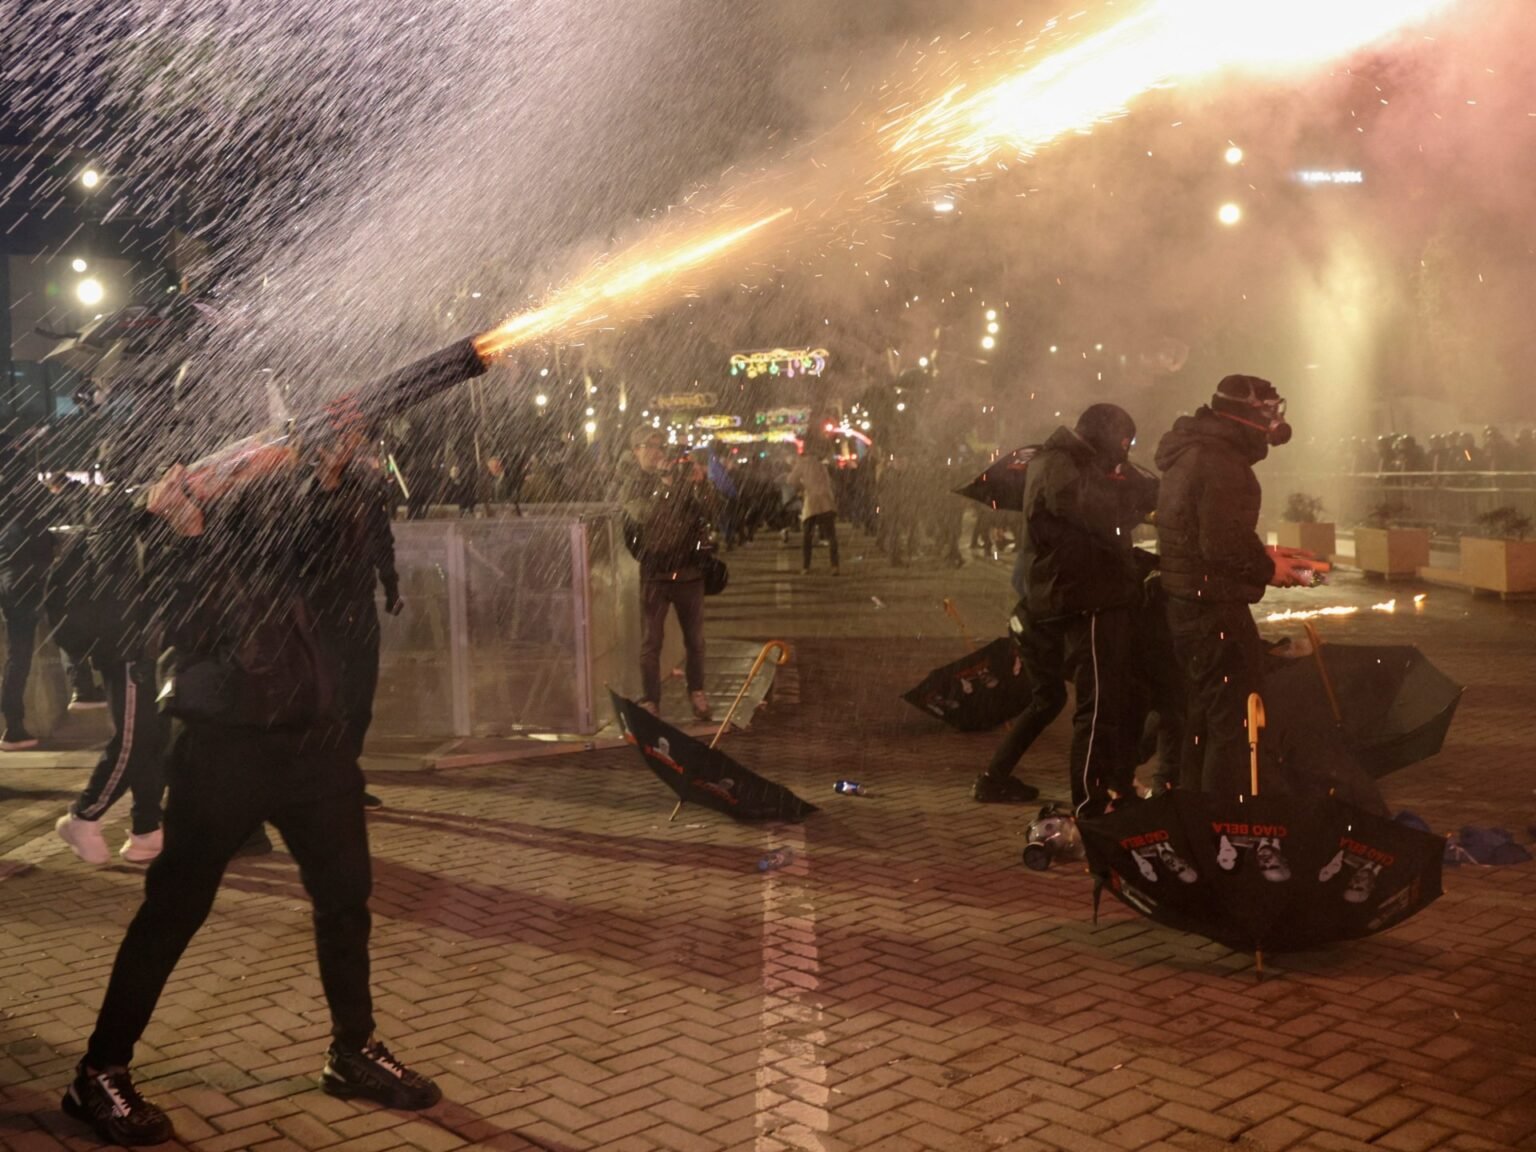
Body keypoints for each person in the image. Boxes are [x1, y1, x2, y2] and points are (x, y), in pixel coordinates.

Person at [61, 450, 440, 1147]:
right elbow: (133, 600)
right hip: (223, 749)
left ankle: (351, 1050)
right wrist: (161, 517)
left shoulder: (287, 516)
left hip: (312, 745)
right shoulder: (170, 534)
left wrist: (328, 481)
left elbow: (337, 555)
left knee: (345, 899)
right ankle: (100, 1071)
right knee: (174, 909)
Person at [975, 404, 1157, 814]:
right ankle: (1091, 804)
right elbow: (1089, 515)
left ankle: (1110, 786)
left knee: (1109, 698)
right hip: (1086, 598)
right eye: (1124, 442)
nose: (1125, 453)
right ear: (1107, 434)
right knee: (1096, 707)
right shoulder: (1060, 464)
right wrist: (1129, 504)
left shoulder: (1064, 462)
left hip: (1084, 594)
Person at [1154, 374, 1308, 796]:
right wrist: (1266, 568)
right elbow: (1220, 542)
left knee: (1204, 718)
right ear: (1245, 413)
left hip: (1193, 604)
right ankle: (1224, 830)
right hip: (1212, 609)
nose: (1277, 421)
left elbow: (1212, 532)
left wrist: (1263, 556)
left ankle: (1194, 815)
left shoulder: (1198, 451)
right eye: (1269, 412)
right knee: (1233, 725)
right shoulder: (1220, 460)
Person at [621, 426, 714, 721]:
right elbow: (642, 515)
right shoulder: (632, 481)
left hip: (688, 572)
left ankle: (697, 692)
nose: (658, 451)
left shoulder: (680, 477)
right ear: (636, 449)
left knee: (695, 640)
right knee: (652, 642)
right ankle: (651, 701)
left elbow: (708, 512)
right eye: (651, 445)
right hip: (655, 573)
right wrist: (665, 487)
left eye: (661, 445)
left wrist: (700, 485)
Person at [0, 424, 55, 751]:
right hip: (21, 576)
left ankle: (14, 723)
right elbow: (29, 530)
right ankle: (14, 725)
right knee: (20, 652)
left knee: (16, 654)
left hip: (8, 572)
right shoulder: (17, 480)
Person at [789, 448, 839, 575]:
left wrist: (802, 487)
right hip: (826, 501)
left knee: (807, 536)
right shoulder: (821, 465)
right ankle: (835, 565)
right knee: (831, 535)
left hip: (812, 502)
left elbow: (790, 480)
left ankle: (806, 566)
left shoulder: (802, 464)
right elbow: (829, 483)